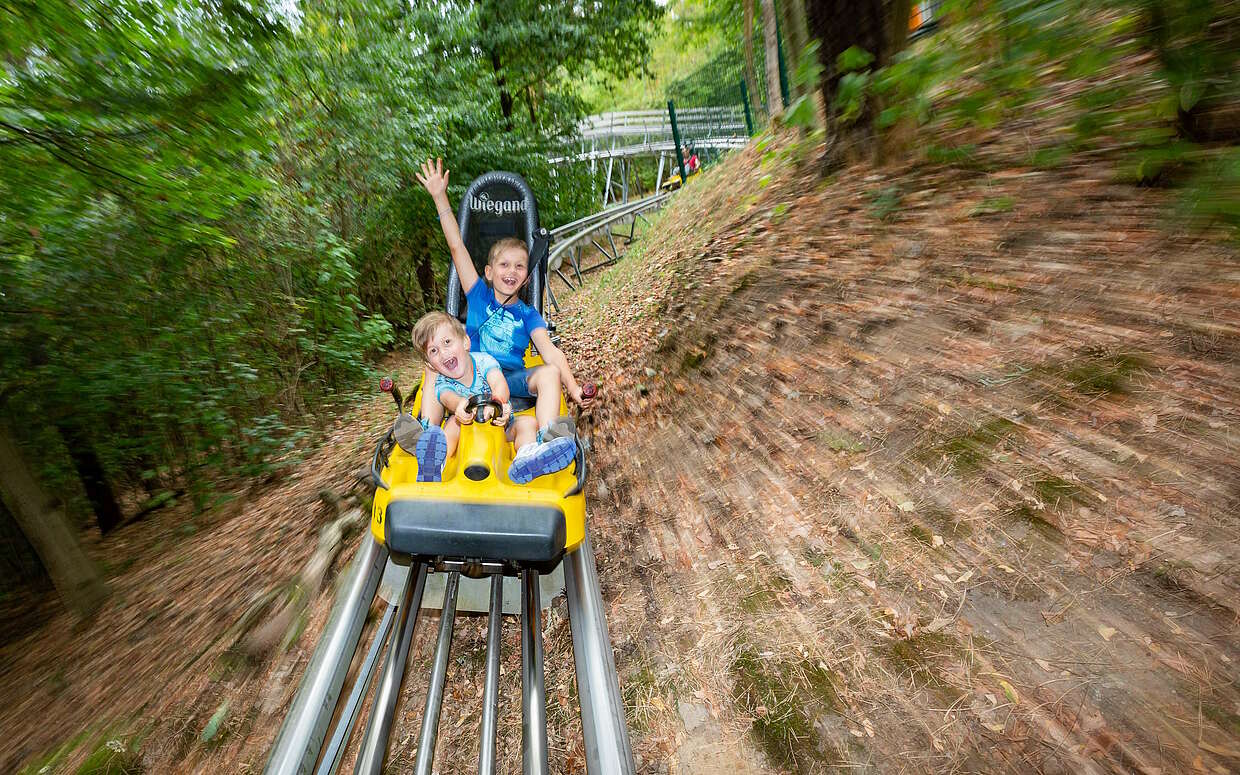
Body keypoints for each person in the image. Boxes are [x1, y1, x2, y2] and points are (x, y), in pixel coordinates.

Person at [415, 157, 594, 456]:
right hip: (468, 375)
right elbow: (457, 247)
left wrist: (574, 389)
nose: (511, 271)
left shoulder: (528, 314)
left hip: (508, 380)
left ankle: (548, 442)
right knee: (433, 369)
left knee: (548, 372)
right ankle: (426, 434)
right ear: (489, 271)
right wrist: (439, 196)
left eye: (520, 266)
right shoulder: (477, 295)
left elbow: (551, 353)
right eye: (504, 265)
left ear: (526, 276)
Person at [403, 312, 578, 484]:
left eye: (447, 342)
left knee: (528, 424)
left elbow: (499, 383)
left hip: (501, 425)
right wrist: (459, 405)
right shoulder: (442, 381)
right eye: (434, 351)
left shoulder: (483, 361)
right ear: (429, 362)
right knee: (451, 426)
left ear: (465, 342)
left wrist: (499, 401)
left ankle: (528, 456)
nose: (443, 353)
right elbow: (448, 397)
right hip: (466, 427)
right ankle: (433, 463)